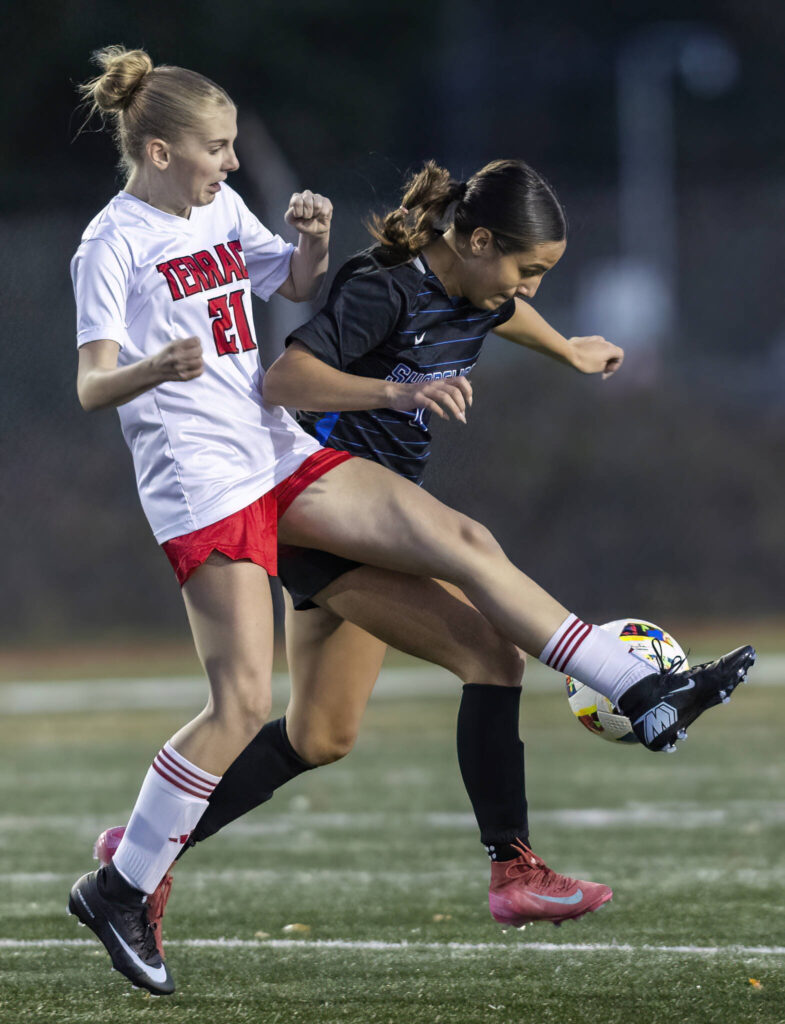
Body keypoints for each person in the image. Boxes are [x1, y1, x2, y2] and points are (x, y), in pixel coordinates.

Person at [67, 46, 755, 997]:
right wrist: (162, 368)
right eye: (217, 148)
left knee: (351, 697)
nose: (230, 163)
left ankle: (631, 695)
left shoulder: (217, 209)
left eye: (231, 147)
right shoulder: (113, 245)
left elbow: (295, 289)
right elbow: (97, 381)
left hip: (275, 454)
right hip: (203, 482)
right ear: (157, 148)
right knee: (240, 707)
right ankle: (126, 876)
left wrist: (305, 247)